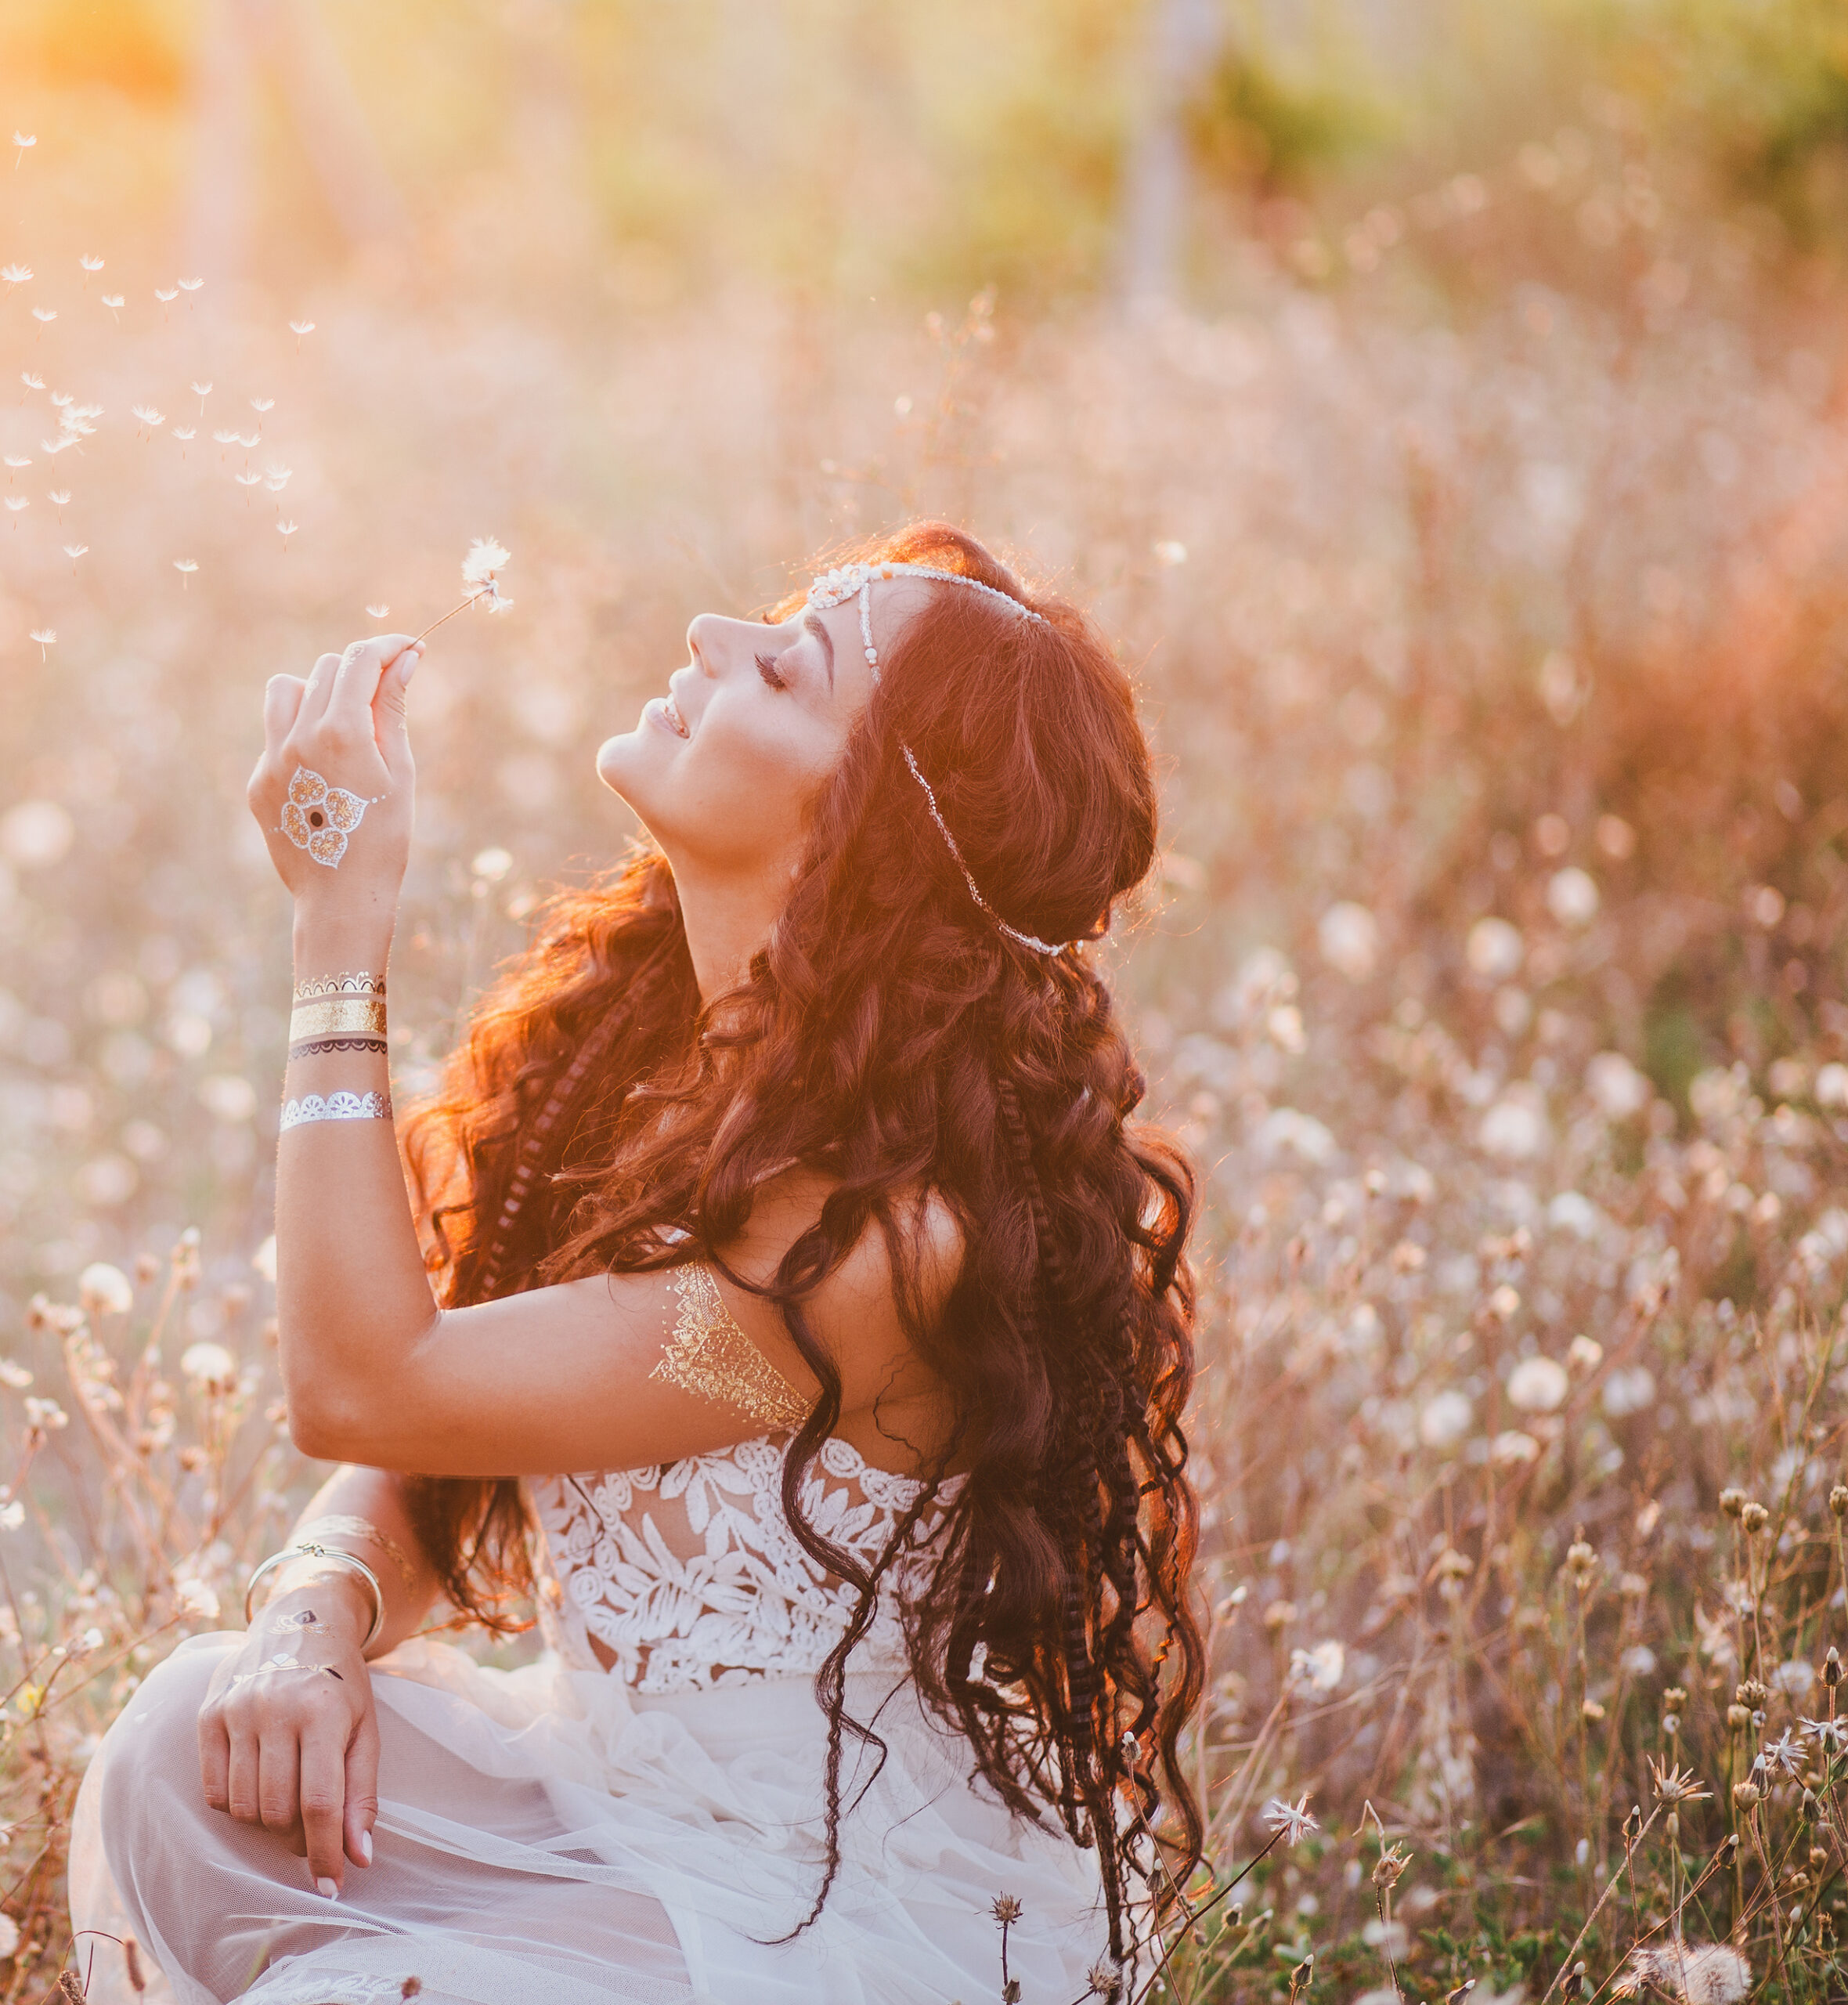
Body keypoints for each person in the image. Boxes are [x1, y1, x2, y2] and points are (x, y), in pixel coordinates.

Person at [69, 522, 1207, 2005]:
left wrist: (338, 926)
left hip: (816, 1918)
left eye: (784, 668)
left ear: (868, 831)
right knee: (185, 1749)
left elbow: (370, 1389)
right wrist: (313, 1616)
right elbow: (446, 1444)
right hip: (600, 1804)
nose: (713, 633)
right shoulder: (643, 1053)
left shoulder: (882, 1251)